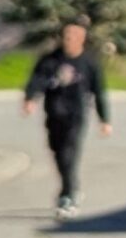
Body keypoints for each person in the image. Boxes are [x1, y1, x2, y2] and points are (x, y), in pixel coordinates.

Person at [21, 20, 111, 218]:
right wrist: (30, 99)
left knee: (69, 154)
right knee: (58, 153)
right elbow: (36, 81)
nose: (69, 39)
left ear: (82, 38)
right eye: (66, 36)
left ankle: (67, 196)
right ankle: (72, 188)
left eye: (73, 36)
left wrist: (104, 120)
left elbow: (99, 92)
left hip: (76, 115)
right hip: (54, 114)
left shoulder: (89, 62)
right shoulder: (50, 60)